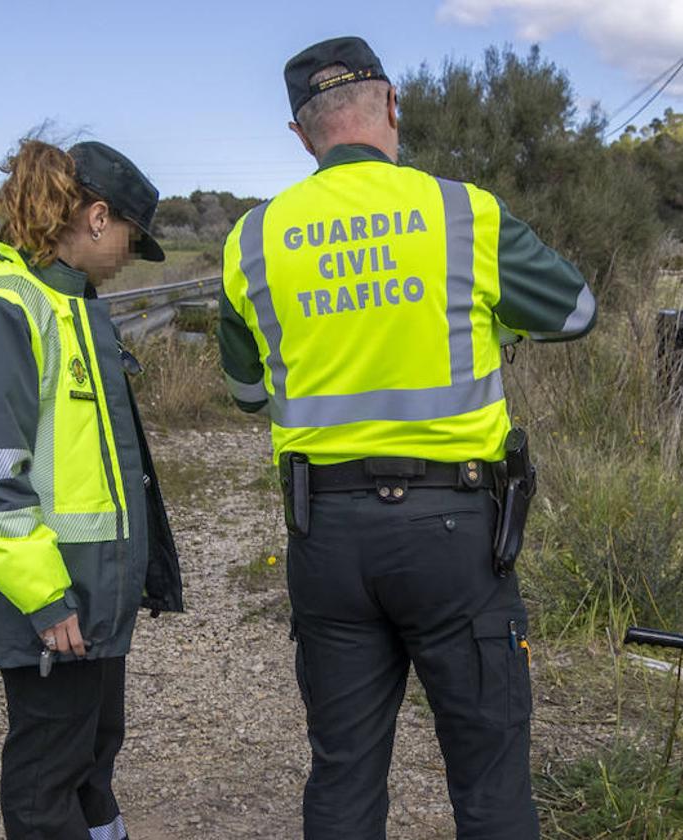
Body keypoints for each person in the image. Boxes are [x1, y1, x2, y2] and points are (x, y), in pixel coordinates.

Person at [218, 35, 596, 839]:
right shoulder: (464, 211)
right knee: (490, 778)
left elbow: (249, 389)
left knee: (345, 775)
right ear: (391, 105)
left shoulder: (252, 239)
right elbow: (575, 311)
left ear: (301, 134)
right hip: (456, 531)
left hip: (327, 536)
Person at [0, 139, 183, 839]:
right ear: (97, 217)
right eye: (129, 234)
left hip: (86, 588)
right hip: (45, 595)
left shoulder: (67, 302)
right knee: (47, 779)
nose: (129, 253)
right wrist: (43, 595)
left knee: (93, 753)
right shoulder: (3, 306)